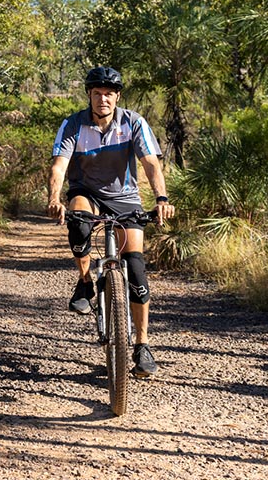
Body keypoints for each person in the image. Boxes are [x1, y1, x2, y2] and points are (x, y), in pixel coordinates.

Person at [46, 66, 175, 378]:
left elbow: (151, 164)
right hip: (85, 190)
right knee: (78, 222)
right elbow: (59, 167)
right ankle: (86, 281)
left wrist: (161, 198)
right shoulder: (73, 124)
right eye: (97, 93)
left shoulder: (133, 122)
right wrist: (54, 198)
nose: (103, 99)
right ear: (89, 95)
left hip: (125, 196)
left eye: (109, 94)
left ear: (117, 96)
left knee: (138, 273)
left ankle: (142, 345)